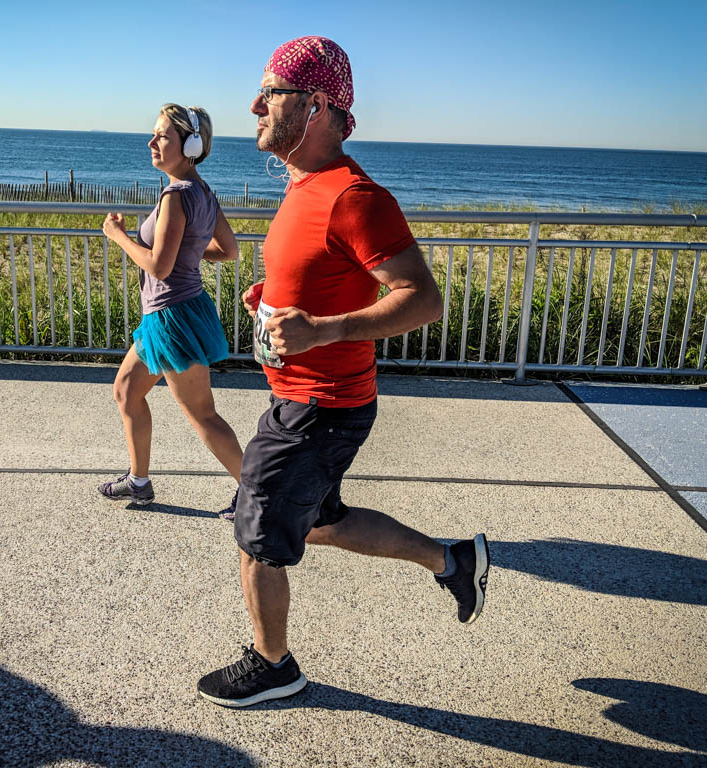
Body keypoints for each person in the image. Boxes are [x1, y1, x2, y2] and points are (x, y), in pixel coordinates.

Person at [197, 37, 491, 708]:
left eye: (270, 93)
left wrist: (324, 330)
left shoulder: (355, 196)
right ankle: (453, 561)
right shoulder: (303, 187)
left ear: (316, 105)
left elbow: (423, 299)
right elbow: (322, 275)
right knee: (319, 522)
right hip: (307, 399)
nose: (255, 106)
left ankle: (273, 666)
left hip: (321, 406)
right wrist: (270, 299)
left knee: (257, 533)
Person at [99, 104, 244, 506]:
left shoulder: (175, 196)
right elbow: (228, 250)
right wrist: (187, 253)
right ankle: (138, 481)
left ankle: (258, 497)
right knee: (126, 391)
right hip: (169, 314)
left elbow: (160, 268)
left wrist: (119, 236)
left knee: (203, 414)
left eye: (162, 136)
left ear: (190, 145)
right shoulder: (203, 191)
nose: (152, 142)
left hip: (172, 317)